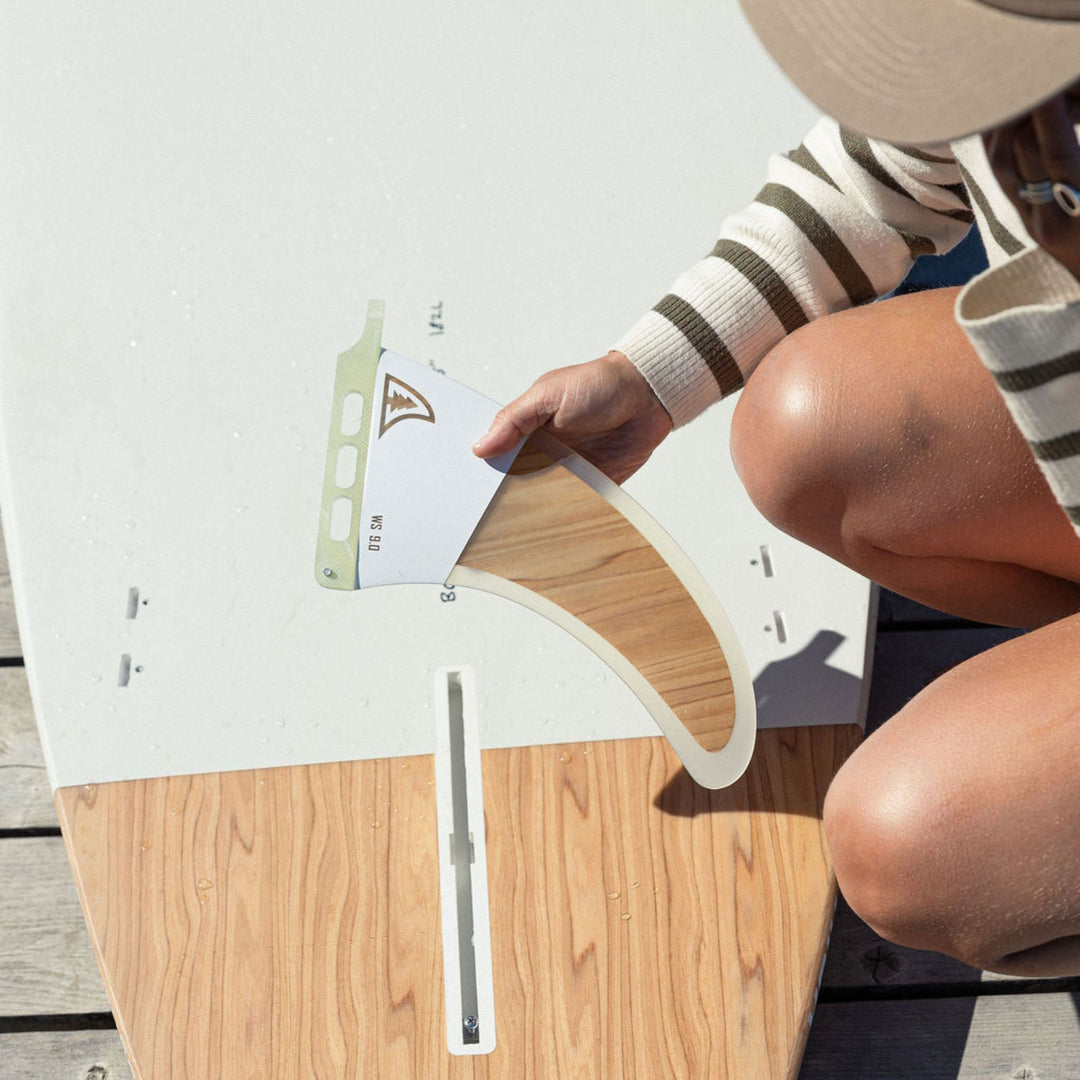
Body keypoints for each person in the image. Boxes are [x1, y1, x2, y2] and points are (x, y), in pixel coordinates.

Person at [473, 0, 1080, 977]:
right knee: (805, 423)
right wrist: (651, 377)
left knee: (909, 849)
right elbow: (878, 177)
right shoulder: (1003, 46)